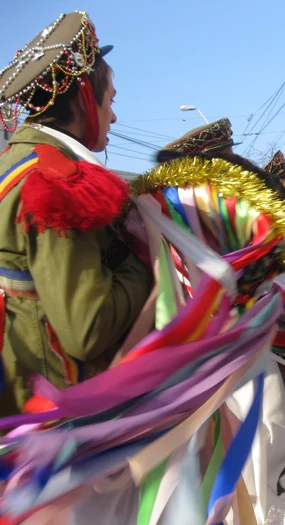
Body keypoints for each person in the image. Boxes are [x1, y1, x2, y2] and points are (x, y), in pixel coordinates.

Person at [0, 12, 151, 418]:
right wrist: (149, 259)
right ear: (86, 97)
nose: (114, 117)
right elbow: (89, 329)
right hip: (66, 426)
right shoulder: (56, 182)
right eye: (111, 100)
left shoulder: (13, 165)